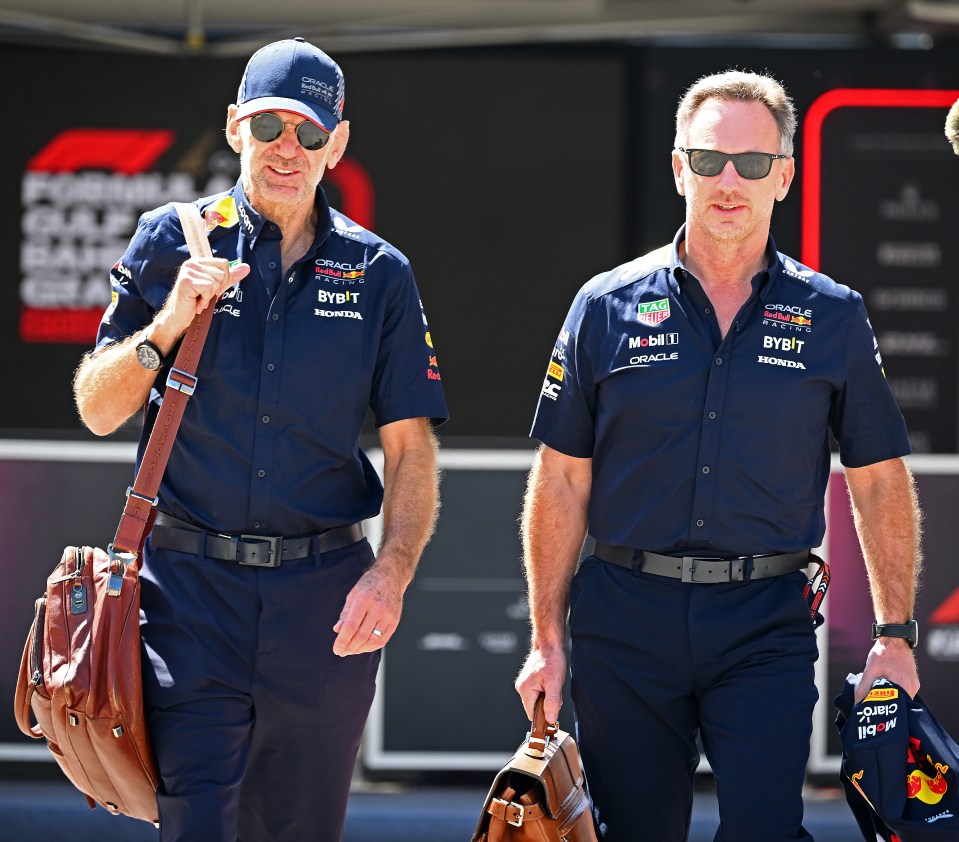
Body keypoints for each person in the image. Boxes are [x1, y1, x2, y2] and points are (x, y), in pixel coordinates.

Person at [514, 70, 922, 842]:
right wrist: (545, 639)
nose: (728, 181)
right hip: (624, 618)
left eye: (751, 163)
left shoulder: (832, 316)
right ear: (678, 168)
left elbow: (876, 480)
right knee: (634, 831)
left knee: (766, 829)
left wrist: (892, 636)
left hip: (763, 621)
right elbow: (562, 479)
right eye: (707, 161)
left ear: (784, 177)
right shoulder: (603, 304)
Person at [73, 37, 447, 841]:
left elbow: (412, 450)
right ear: (236, 127)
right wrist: (168, 324)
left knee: (301, 829)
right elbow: (98, 408)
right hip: (187, 595)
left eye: (310, 133)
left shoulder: (379, 271)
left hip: (325, 601)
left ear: (336, 144)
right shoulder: (172, 240)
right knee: (196, 824)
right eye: (271, 126)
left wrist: (392, 575)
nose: (289, 149)